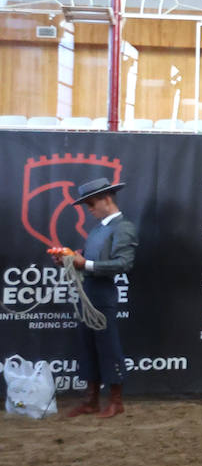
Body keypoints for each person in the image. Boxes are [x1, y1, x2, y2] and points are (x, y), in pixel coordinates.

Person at [48, 177, 139, 419]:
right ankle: (91, 400)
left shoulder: (123, 227)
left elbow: (124, 264)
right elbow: (88, 260)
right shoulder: (99, 229)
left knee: (108, 346)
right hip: (88, 292)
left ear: (106, 199)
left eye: (90, 204)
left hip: (102, 295)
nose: (88, 210)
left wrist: (83, 263)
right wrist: (69, 260)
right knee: (88, 346)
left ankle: (116, 401)